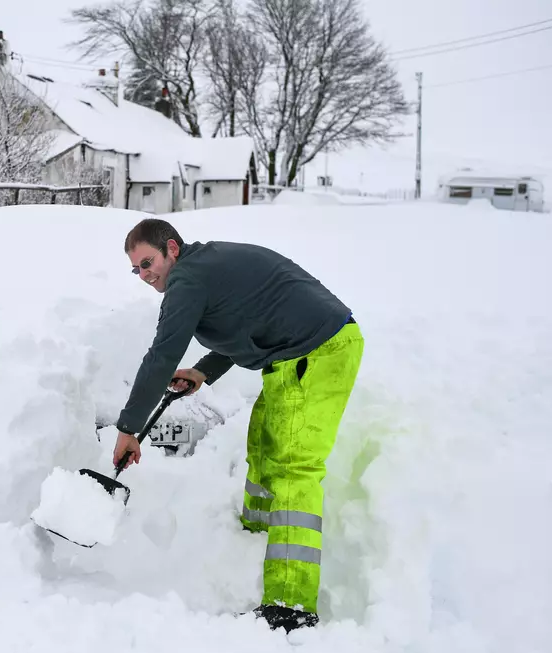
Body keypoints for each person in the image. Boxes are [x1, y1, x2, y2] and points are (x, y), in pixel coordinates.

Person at [112, 218, 364, 633]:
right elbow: (247, 319)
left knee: (290, 466)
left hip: (318, 353)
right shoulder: (206, 267)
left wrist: (128, 428)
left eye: (147, 262)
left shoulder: (188, 278)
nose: (144, 274)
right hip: (298, 354)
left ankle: (291, 606)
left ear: (171, 249)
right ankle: (255, 536)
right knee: (264, 444)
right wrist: (203, 371)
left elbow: (162, 353)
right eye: (136, 268)